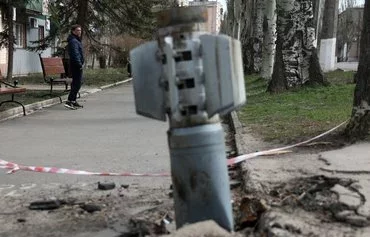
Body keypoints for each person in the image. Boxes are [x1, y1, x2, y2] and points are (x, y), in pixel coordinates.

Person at [64, 24, 84, 110]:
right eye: (77, 30)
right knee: (77, 83)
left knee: (77, 83)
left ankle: (73, 101)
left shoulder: (75, 40)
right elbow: (75, 54)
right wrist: (79, 64)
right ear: (73, 31)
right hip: (76, 65)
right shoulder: (73, 41)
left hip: (76, 64)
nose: (79, 32)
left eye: (80, 30)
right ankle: (69, 101)